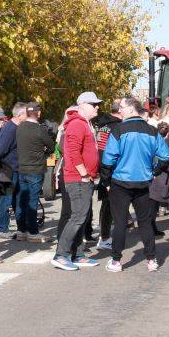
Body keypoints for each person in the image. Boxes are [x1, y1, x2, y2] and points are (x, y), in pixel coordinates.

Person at [100, 96, 169, 272]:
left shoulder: (118, 130)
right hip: (143, 182)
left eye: (122, 107)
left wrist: (106, 180)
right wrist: (154, 171)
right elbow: (166, 157)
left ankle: (116, 261)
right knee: (145, 222)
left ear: (132, 108)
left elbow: (108, 158)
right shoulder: (152, 131)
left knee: (120, 223)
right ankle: (151, 260)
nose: (119, 110)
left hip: (121, 182)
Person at [53, 92, 102, 271]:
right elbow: (72, 151)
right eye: (93, 104)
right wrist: (84, 173)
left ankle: (78, 255)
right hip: (77, 178)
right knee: (78, 216)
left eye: (97, 104)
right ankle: (61, 254)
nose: (97, 107)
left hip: (84, 178)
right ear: (82, 105)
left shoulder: (85, 123)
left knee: (82, 217)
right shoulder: (76, 124)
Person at [15, 101, 55, 243]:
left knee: (22, 200)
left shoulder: (19, 127)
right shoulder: (40, 130)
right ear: (38, 113)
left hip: (21, 168)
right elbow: (51, 146)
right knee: (32, 201)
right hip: (35, 169)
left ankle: (21, 230)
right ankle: (33, 232)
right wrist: (44, 152)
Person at [91, 104, 122, 251]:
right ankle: (104, 237)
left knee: (105, 204)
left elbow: (100, 148)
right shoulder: (116, 126)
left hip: (100, 166)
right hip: (112, 168)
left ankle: (101, 235)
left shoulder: (99, 124)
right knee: (110, 205)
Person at [0, 103, 26, 239]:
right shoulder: (9, 129)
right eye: (26, 113)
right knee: (6, 200)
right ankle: (3, 229)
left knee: (18, 200)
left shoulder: (18, 127)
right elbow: (1, 150)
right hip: (8, 170)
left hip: (17, 169)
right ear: (19, 115)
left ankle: (21, 228)